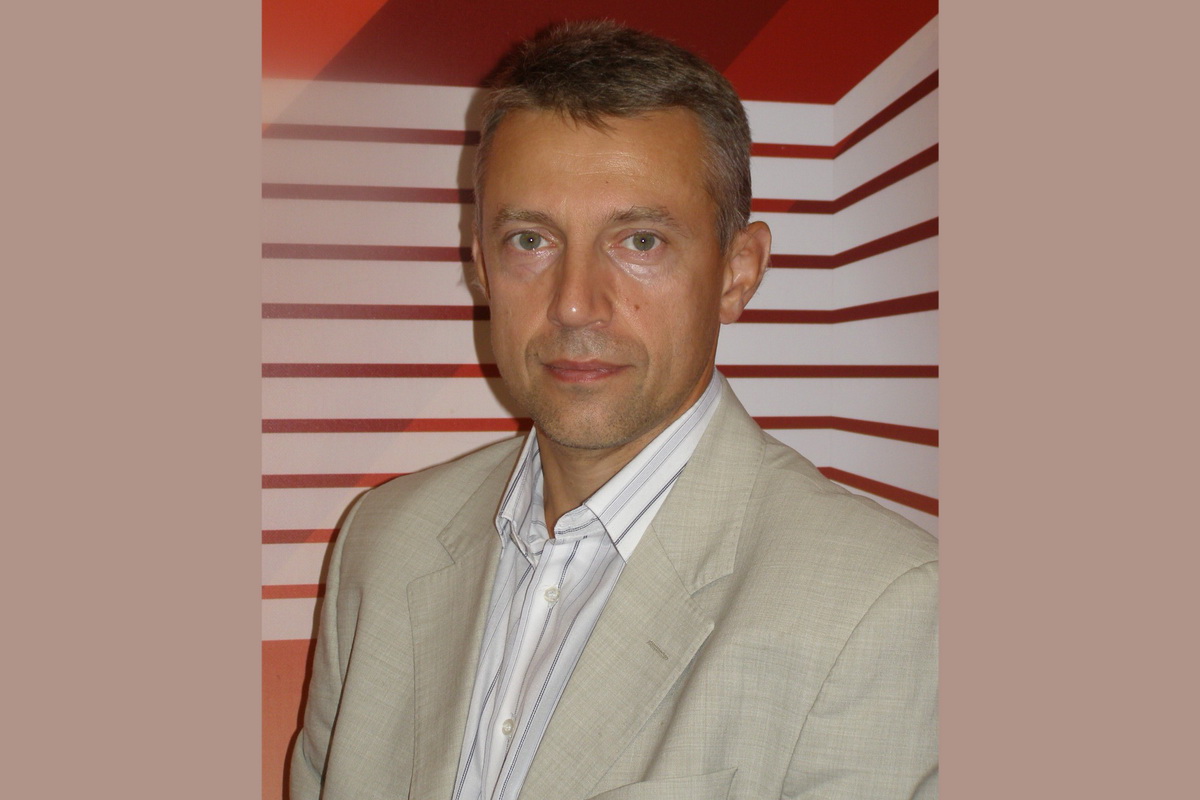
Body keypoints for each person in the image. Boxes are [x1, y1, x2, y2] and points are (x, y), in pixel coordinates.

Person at [290, 21, 937, 800]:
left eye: (641, 241)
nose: (575, 303)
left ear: (738, 272)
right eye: (530, 240)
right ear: (481, 264)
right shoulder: (381, 544)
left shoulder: (880, 607)